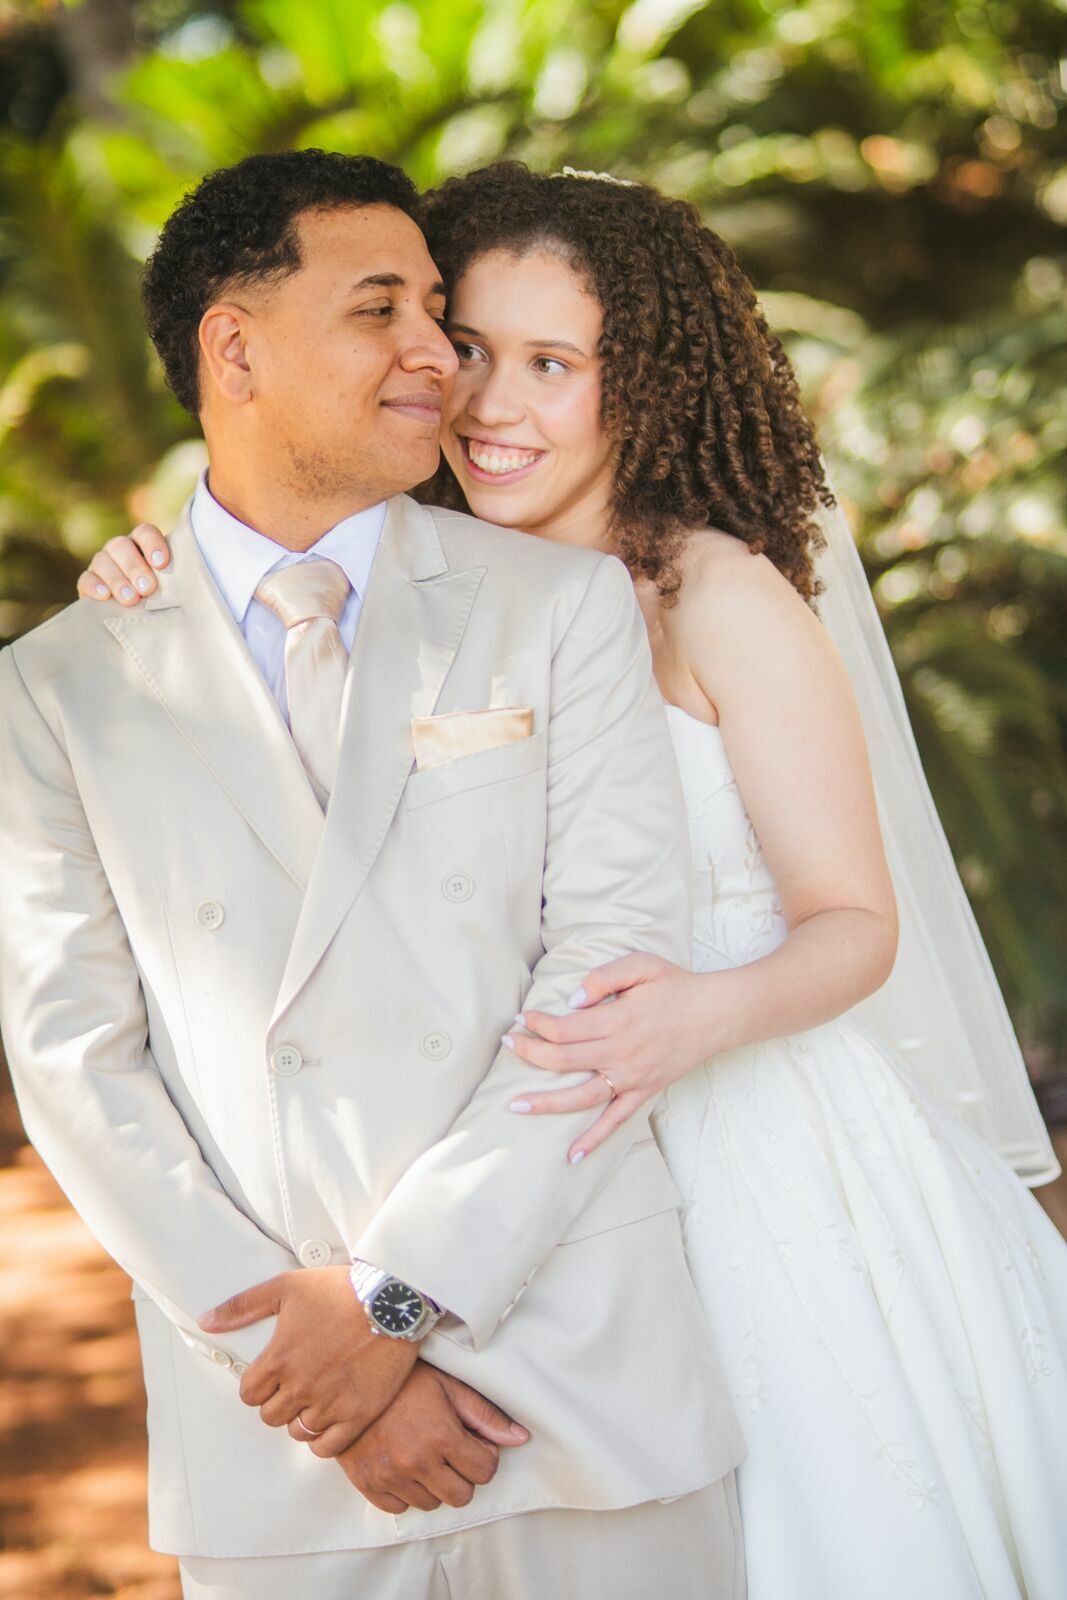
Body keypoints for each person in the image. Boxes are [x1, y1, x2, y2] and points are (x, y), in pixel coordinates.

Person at [90, 160, 1067, 1599]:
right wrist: (157, 586)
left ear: (646, 384)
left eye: (553, 364)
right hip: (496, 1171)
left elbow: (858, 924)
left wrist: (698, 1019)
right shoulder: (415, 590)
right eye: (469, 351)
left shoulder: (714, 597)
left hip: (754, 1149)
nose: (492, 405)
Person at [0, 150, 748, 1600]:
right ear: (235, 344)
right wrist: (317, 1363)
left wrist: (401, 1301)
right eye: (382, 309)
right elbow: (74, 1060)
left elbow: (606, 960)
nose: (438, 357)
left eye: (442, 315)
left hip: (575, 1374)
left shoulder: (559, 606)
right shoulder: (55, 691)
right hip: (282, 1435)